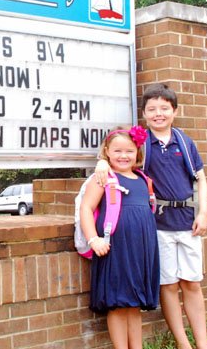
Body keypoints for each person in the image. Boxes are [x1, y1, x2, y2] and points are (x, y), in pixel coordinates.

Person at [95, 83, 207, 349]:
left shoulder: (185, 142)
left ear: (175, 111)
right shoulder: (141, 144)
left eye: (164, 108)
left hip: (188, 222)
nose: (159, 114)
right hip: (157, 226)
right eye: (152, 109)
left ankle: (202, 344)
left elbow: (202, 180)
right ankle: (183, 343)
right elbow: (117, 156)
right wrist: (101, 161)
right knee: (168, 284)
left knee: (192, 282)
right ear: (144, 114)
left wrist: (203, 213)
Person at [80, 125, 159, 349]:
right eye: (117, 151)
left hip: (139, 251)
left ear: (138, 153)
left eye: (129, 151)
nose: (124, 156)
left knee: (134, 304)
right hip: (115, 249)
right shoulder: (104, 177)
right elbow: (86, 208)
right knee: (117, 303)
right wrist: (93, 239)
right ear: (107, 152)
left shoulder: (144, 180)